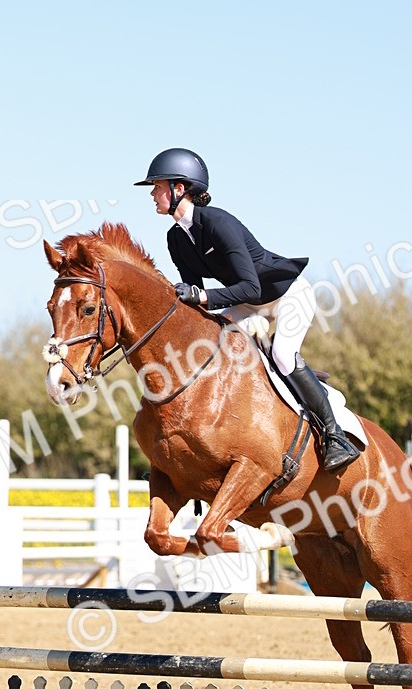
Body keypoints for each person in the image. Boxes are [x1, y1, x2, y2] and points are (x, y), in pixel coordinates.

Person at [134, 147, 360, 472]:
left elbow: (250, 287)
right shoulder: (176, 239)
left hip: (286, 293)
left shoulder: (219, 222)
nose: (153, 193)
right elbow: (197, 297)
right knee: (206, 347)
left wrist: (201, 297)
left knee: (283, 354)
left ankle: (335, 435)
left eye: (157, 186)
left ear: (179, 188)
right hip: (244, 302)